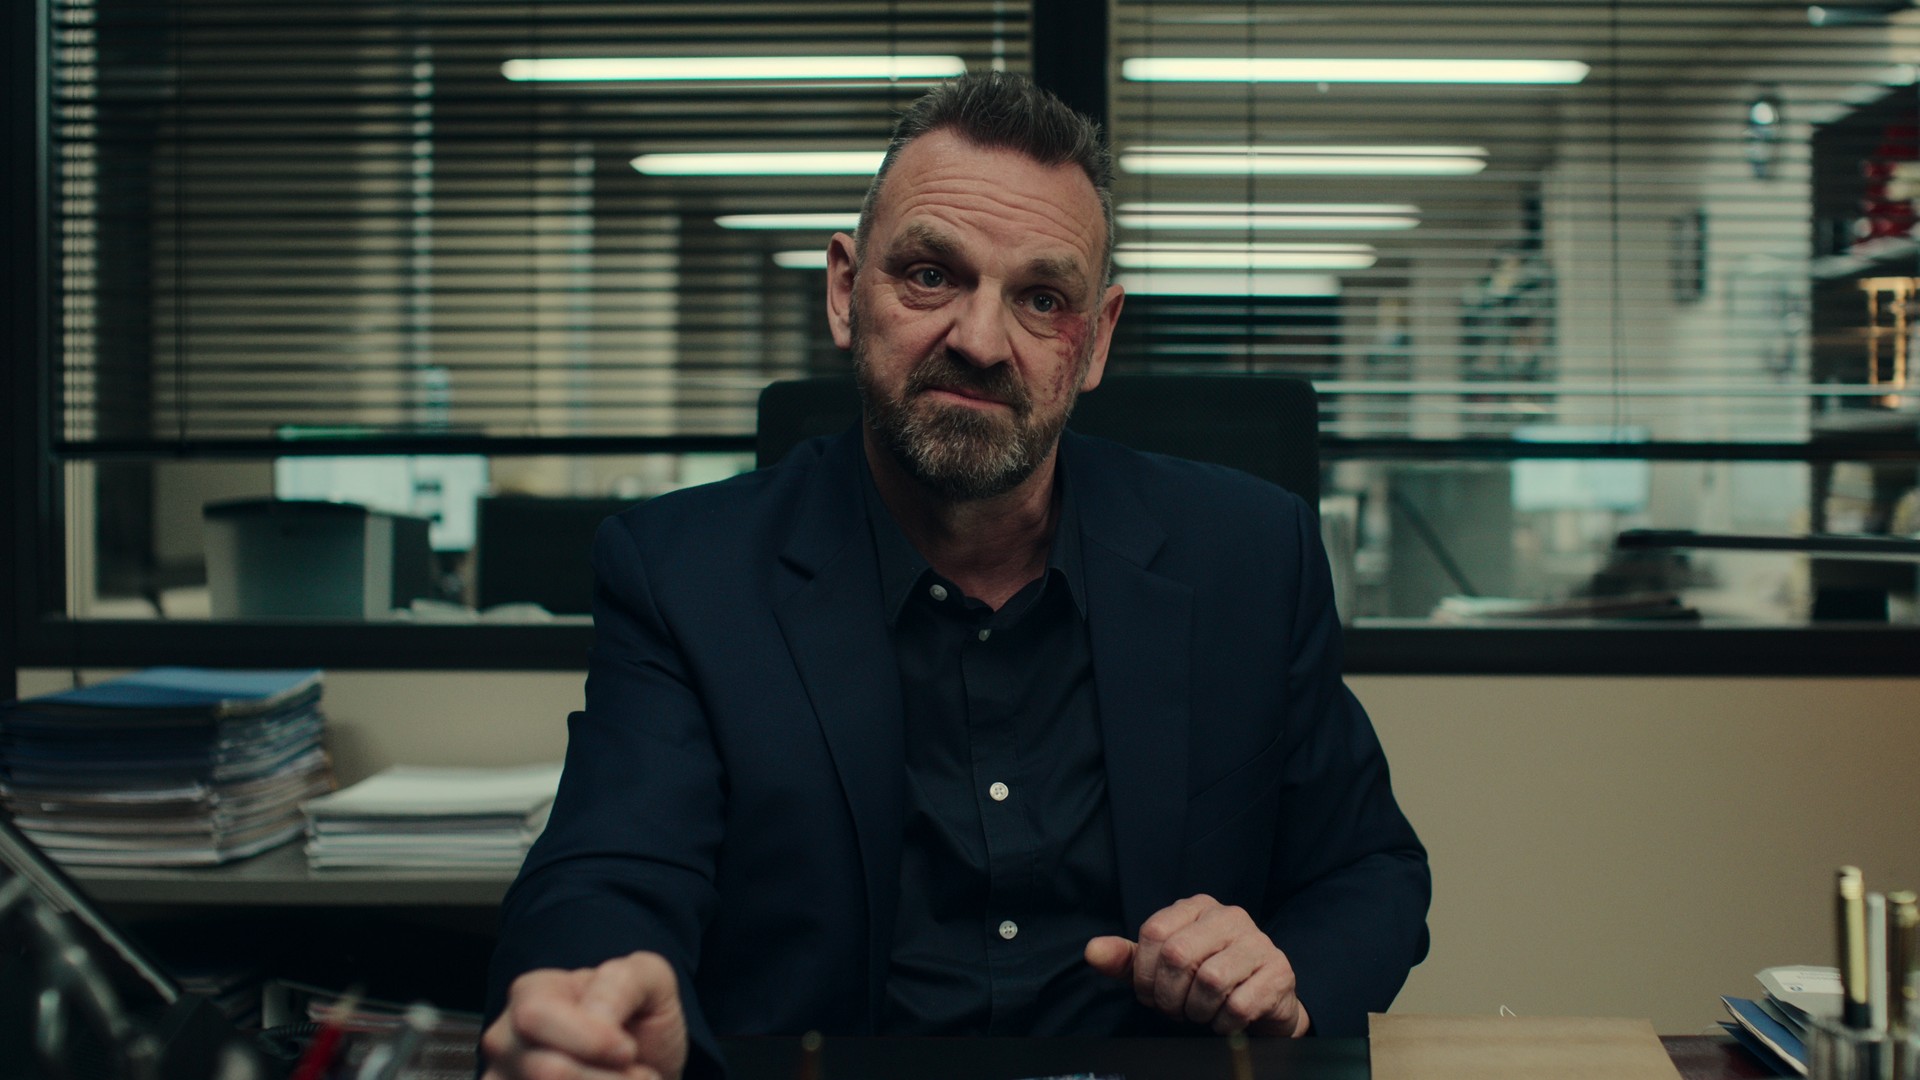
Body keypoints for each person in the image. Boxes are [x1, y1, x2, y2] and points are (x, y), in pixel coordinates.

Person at [481, 71, 1429, 1080]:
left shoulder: (1247, 556)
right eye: (932, 275)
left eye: (1041, 299)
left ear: (1097, 340)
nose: (981, 341)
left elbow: (1366, 873)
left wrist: (1280, 976)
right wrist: (590, 1005)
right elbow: (610, 870)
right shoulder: (685, 574)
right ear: (847, 290)